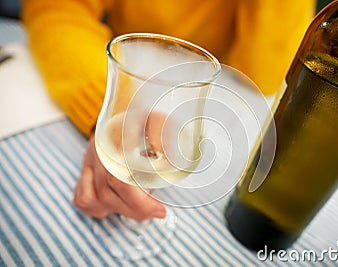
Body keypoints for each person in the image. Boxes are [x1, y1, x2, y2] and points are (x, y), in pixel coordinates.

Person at [21, 0, 316, 221]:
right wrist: (111, 109)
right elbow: (58, 9)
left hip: (207, 104)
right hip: (117, 71)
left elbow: (264, 73)